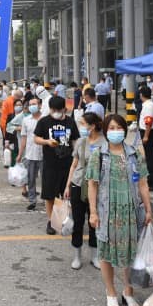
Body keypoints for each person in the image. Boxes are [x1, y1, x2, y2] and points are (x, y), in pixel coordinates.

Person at [86, 114, 152, 306]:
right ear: (105, 131)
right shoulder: (99, 154)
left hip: (130, 210)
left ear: (125, 130)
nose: (116, 131)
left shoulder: (135, 154)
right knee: (106, 253)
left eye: (119, 127)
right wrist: (93, 212)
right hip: (107, 211)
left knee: (130, 253)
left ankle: (128, 291)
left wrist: (148, 209)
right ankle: (111, 292)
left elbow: (143, 183)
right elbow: (92, 185)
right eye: (111, 128)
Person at [64, 112, 105, 270]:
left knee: (94, 221)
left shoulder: (104, 143)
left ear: (92, 126)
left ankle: (94, 256)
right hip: (78, 184)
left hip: (96, 186)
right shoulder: (80, 142)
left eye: (82, 123)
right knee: (78, 222)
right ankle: (77, 256)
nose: (80, 126)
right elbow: (74, 165)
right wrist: (68, 186)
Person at [34, 96, 79, 235]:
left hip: (67, 164)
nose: (56, 112)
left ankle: (65, 220)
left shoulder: (70, 122)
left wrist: (77, 158)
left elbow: (75, 141)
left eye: (58, 110)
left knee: (66, 195)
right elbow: (36, 138)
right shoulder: (44, 122)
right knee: (49, 195)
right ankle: (51, 221)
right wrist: (47, 142)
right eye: (53, 110)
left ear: (64, 109)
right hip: (50, 164)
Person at [17, 98, 43, 211]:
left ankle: (49, 199)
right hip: (30, 154)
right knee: (30, 179)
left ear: (40, 105)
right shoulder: (26, 120)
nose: (32, 106)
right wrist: (20, 154)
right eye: (30, 104)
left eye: (34, 104)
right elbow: (23, 138)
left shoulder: (45, 119)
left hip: (44, 154)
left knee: (46, 179)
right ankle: (32, 200)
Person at [139, 86, 153, 190]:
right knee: (151, 157)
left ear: (141, 95)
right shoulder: (150, 104)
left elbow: (149, 121)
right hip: (151, 132)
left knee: (151, 158)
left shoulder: (148, 106)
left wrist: (146, 136)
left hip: (149, 133)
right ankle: (152, 179)